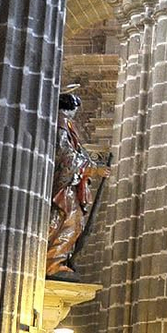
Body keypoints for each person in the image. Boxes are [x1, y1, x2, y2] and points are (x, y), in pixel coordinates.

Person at [46, 90, 111, 279]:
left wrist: (94, 166)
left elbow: (79, 153)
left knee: (73, 223)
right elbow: (65, 155)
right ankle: (53, 264)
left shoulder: (66, 125)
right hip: (64, 186)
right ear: (70, 108)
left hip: (70, 185)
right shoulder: (60, 124)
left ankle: (56, 261)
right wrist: (93, 170)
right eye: (75, 109)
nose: (76, 113)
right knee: (69, 221)